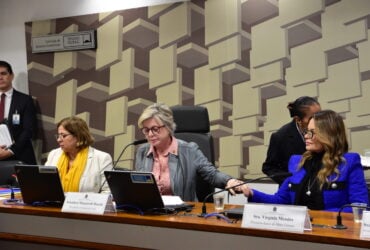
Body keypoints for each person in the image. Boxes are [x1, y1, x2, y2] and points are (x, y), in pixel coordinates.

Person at [240, 110, 369, 212]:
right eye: (306, 132)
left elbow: (360, 207)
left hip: (333, 234)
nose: (306, 136)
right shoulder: (297, 162)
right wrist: (251, 192)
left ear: (328, 135)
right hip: (299, 235)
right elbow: (281, 200)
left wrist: (314, 215)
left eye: (312, 132)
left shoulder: (348, 163)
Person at [135, 103, 243, 202]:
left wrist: (229, 181)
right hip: (149, 212)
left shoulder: (189, 150)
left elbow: (212, 175)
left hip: (181, 214)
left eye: (155, 129)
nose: (150, 134)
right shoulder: (142, 151)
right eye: (146, 130)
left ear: (168, 127)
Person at [262, 96, 321, 185]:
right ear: (298, 119)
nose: (318, 121)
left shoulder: (325, 131)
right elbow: (269, 167)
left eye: (320, 115)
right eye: (312, 117)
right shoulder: (280, 136)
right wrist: (292, 182)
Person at [45, 116, 113, 192]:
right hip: (55, 203)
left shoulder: (102, 158)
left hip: (86, 203)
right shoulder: (53, 154)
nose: (59, 140)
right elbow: (44, 184)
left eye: (63, 136)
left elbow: (108, 192)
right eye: (58, 136)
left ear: (78, 136)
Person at [0, 60, 38, 164]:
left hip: (20, 156)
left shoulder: (25, 100)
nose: (0, 77)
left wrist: (11, 151)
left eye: (3, 73)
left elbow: (28, 130)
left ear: (11, 76)